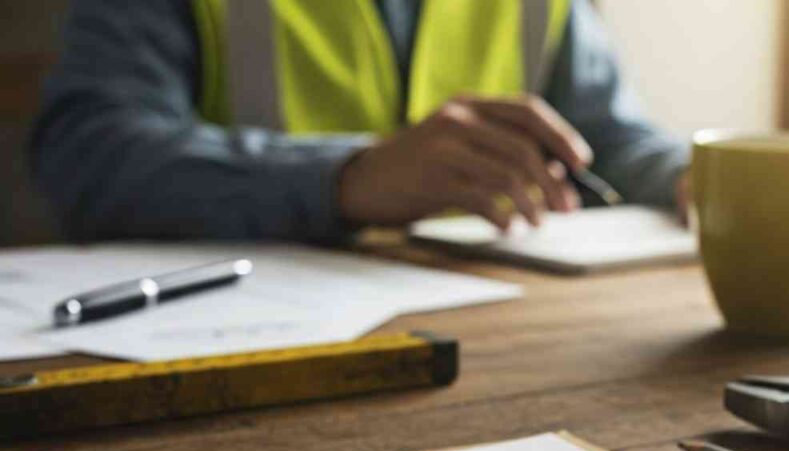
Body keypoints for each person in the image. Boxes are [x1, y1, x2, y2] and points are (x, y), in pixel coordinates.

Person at [31, 0, 689, 245]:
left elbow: (606, 139)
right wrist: (345, 177)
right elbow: (85, 153)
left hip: (503, 328)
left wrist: (695, 176)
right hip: (243, 335)